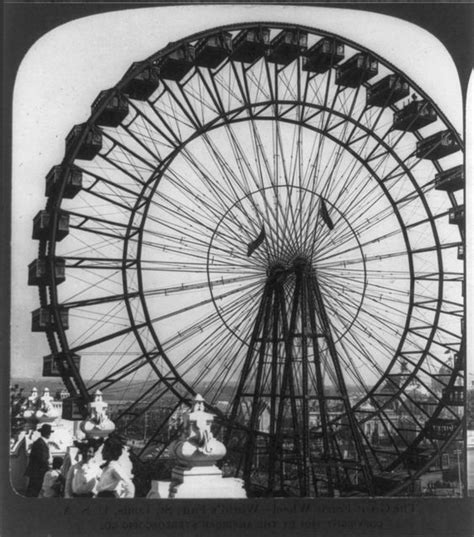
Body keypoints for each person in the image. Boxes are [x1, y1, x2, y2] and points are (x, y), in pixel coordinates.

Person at [25, 423, 52, 497]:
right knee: (34, 491)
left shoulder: (40, 442)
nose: (49, 435)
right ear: (47, 434)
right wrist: (49, 469)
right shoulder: (40, 443)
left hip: (36, 471)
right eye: (49, 433)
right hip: (38, 472)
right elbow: (42, 459)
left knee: (33, 491)